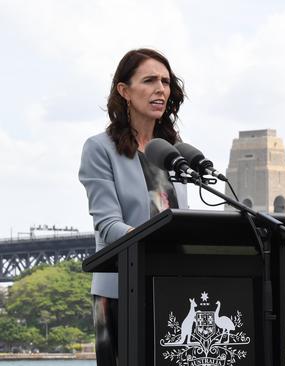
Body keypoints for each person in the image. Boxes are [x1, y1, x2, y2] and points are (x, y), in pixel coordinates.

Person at [79, 48, 188, 366]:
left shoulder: (173, 153)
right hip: (117, 294)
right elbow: (108, 225)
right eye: (150, 80)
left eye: (166, 82)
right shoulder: (100, 149)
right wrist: (154, 244)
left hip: (172, 290)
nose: (161, 89)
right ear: (124, 91)